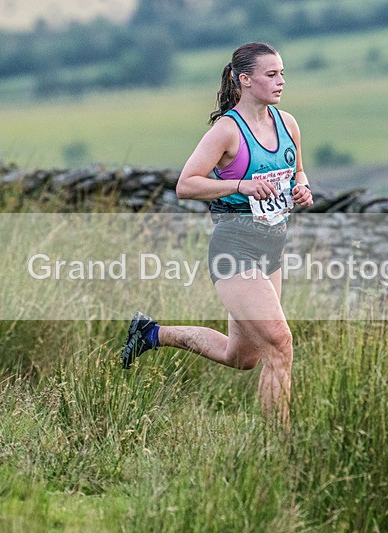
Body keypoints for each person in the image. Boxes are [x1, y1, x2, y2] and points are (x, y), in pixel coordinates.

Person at [121, 42, 313, 426]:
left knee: (241, 357)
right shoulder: (227, 131)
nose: (281, 81)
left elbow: (298, 173)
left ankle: (151, 333)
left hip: (271, 248)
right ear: (245, 79)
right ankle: (280, 447)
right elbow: (186, 184)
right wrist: (239, 186)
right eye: (271, 74)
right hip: (234, 249)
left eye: (282, 73)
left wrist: (302, 188)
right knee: (280, 347)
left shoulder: (287, 123)